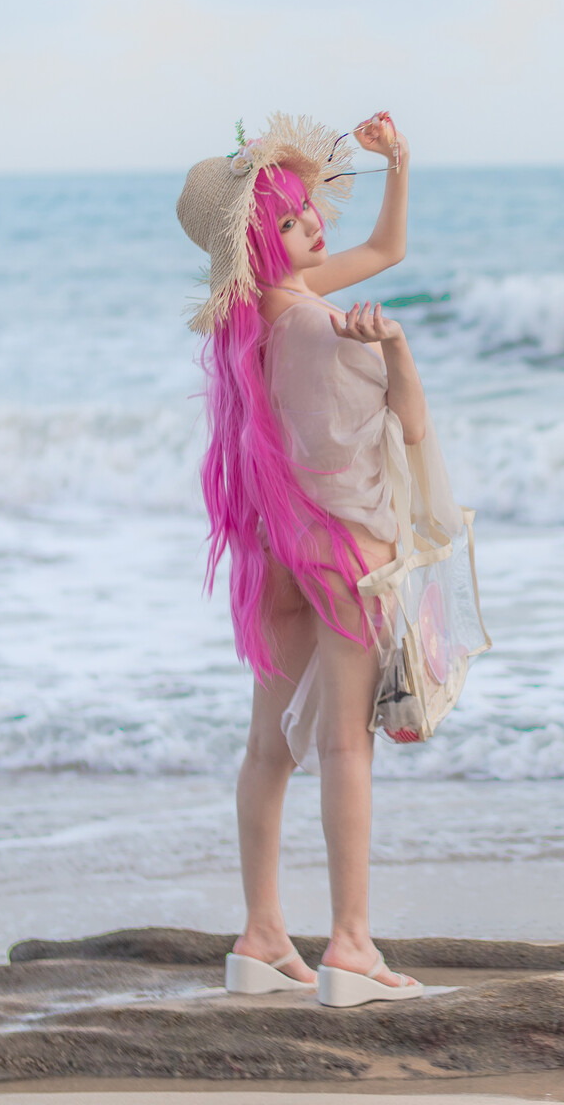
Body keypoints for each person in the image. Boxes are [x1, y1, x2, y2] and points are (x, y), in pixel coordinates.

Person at [175, 110, 431, 1007]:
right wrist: (394, 348)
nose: (314, 225)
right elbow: (407, 428)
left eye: (307, 209)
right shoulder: (323, 328)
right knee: (343, 744)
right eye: (288, 221)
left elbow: (387, 248)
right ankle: (350, 945)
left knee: (266, 747)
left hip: (274, 546)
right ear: (256, 240)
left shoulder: (254, 314)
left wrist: (399, 166)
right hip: (340, 549)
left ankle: (260, 935)